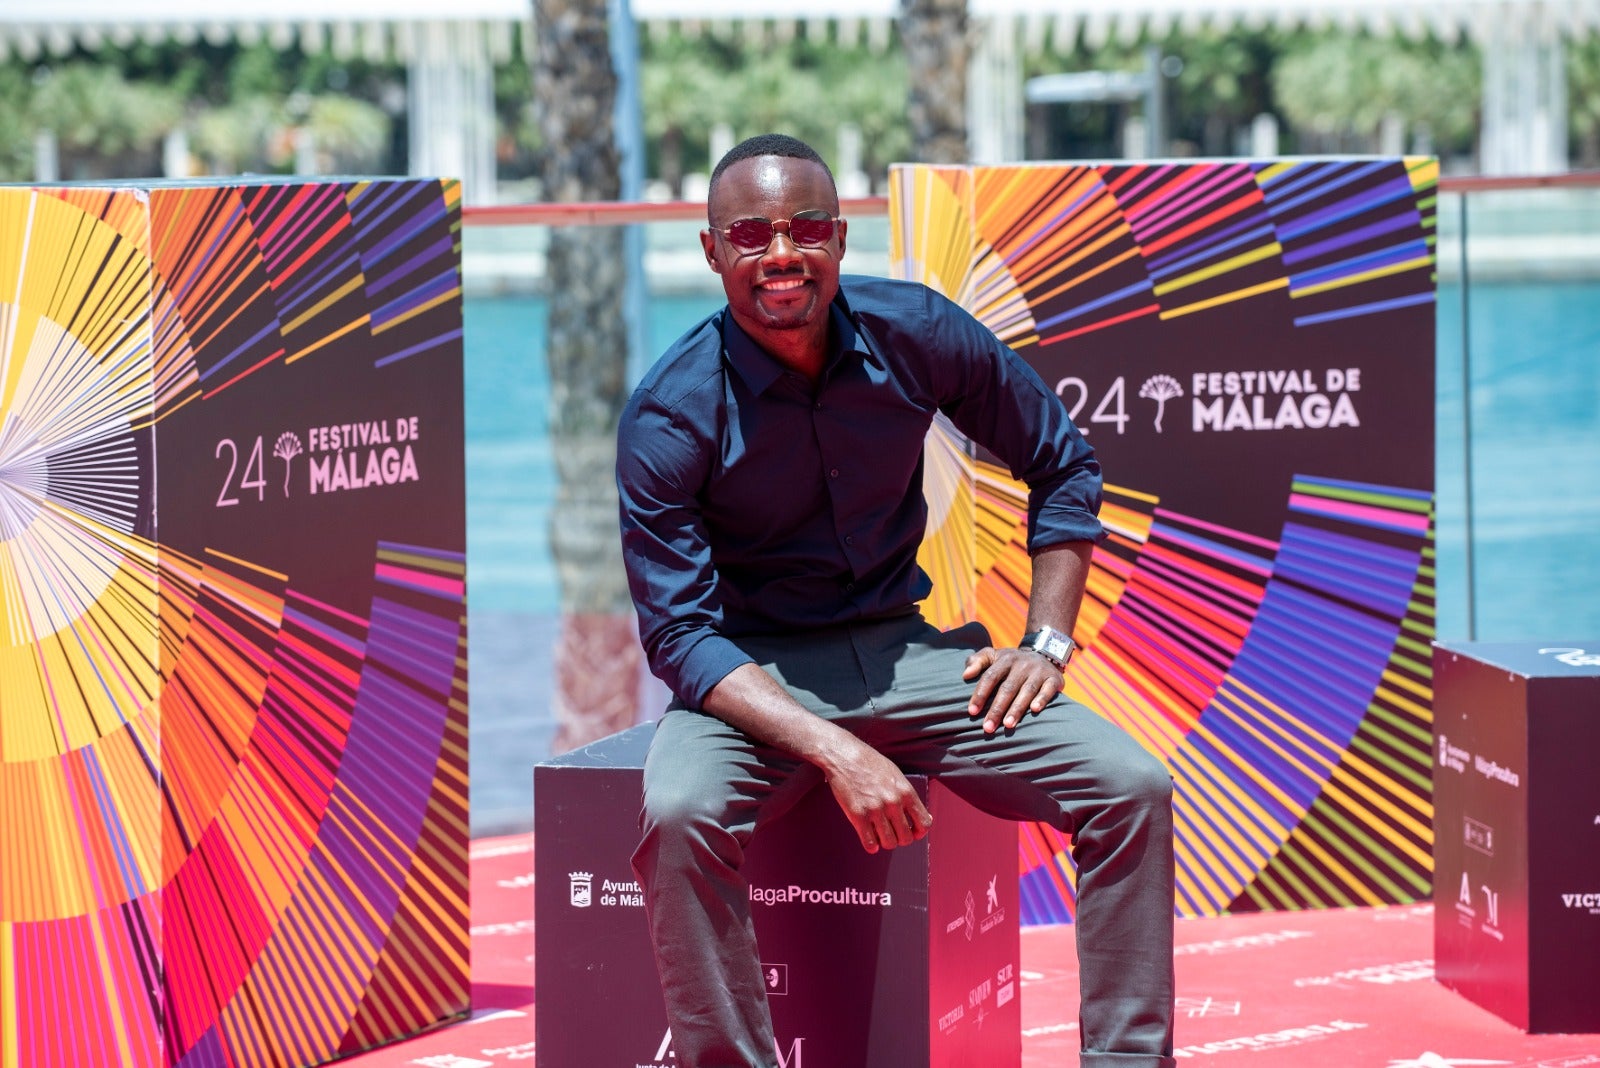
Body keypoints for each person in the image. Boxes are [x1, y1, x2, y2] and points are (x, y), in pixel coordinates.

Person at [616, 132, 1175, 1068]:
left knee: (1130, 786)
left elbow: (1063, 463)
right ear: (711, 251)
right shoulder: (671, 412)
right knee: (680, 814)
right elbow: (678, 633)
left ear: (841, 239)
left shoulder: (916, 332)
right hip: (754, 680)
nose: (781, 255)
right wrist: (835, 749)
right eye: (750, 234)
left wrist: (1044, 643)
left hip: (908, 655)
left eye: (806, 230)